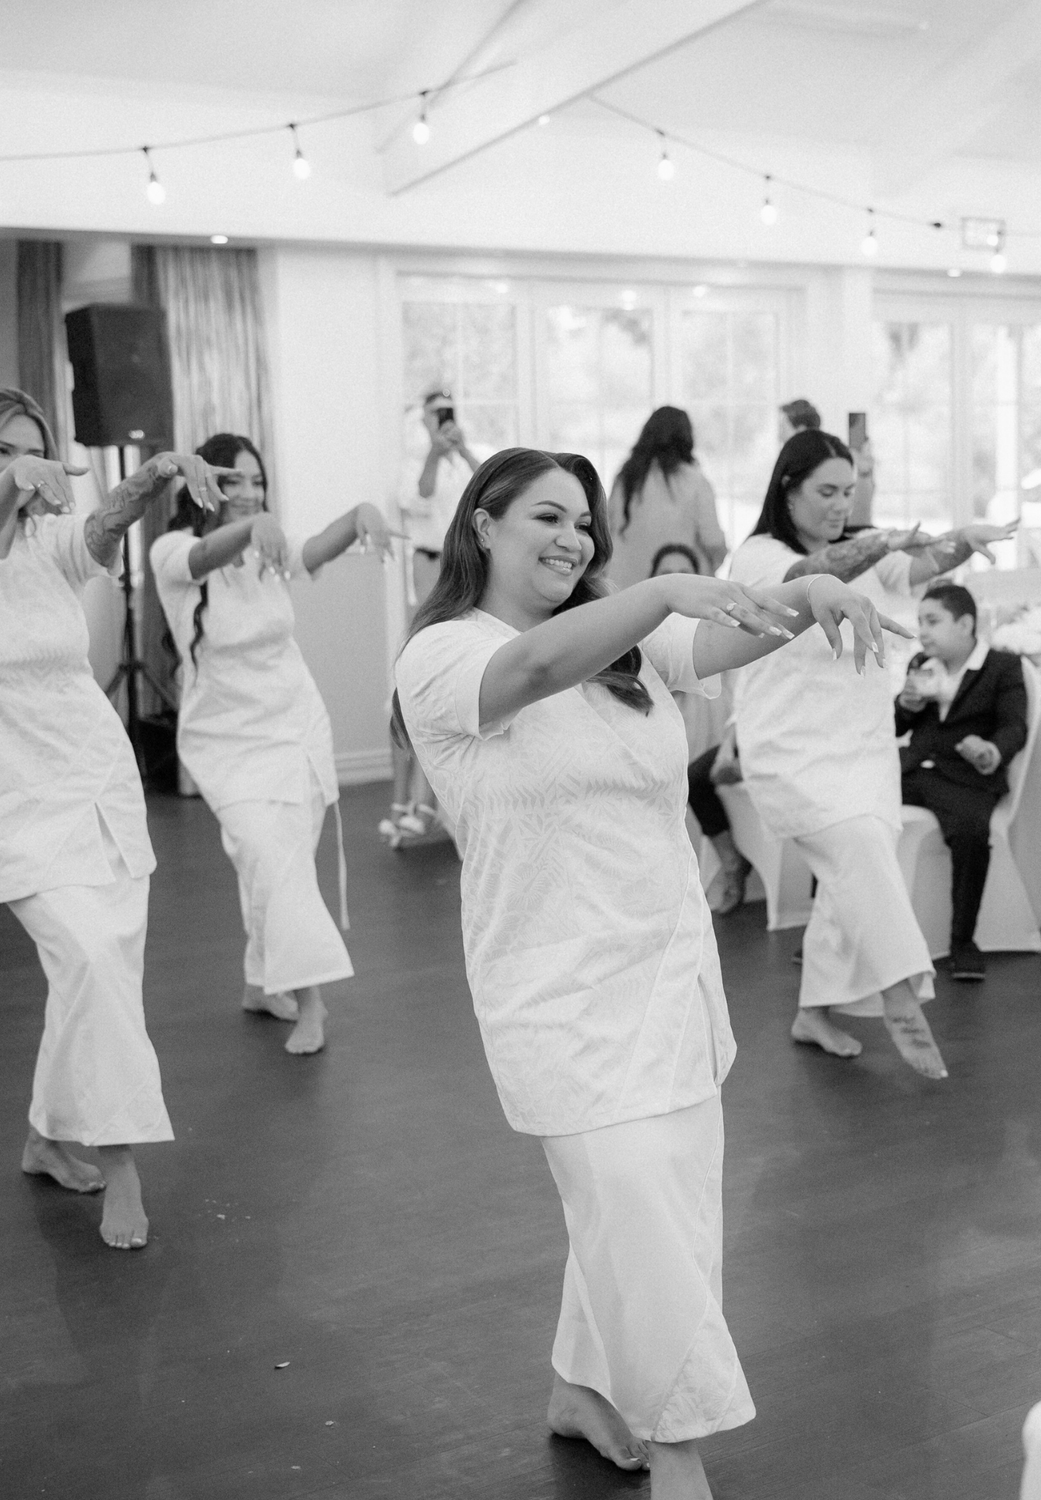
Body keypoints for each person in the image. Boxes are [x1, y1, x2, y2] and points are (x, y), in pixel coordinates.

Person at [394, 445, 901, 1500]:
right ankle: (678, 1448)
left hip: (666, 968)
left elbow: (726, 635)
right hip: (552, 987)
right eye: (546, 515)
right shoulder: (443, 654)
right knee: (629, 1199)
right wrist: (662, 585)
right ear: (481, 525)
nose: (573, 536)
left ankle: (581, 1388)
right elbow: (533, 673)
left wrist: (810, 589)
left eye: (583, 520)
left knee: (659, 1204)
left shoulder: (632, 652)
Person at [0, 387, 234, 1251]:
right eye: (1, 452)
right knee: (86, 956)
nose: (19, 467)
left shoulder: (48, 542)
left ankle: (47, 1135)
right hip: (5, 799)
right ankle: (122, 1167)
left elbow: (103, 530)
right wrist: (13, 486)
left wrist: (151, 476)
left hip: (92, 781)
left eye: (33, 451)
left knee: (98, 970)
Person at [726, 430, 1011, 1076]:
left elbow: (921, 568)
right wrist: (883, 538)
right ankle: (901, 989)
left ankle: (814, 1011)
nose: (838, 504)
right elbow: (806, 579)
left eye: (847, 492)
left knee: (855, 871)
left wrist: (966, 537)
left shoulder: (863, 551)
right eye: (825, 491)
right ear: (787, 489)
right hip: (791, 748)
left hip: (863, 745)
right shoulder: (757, 555)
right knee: (856, 851)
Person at [150, 432, 391, 1058]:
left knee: (279, 862)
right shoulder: (172, 549)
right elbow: (204, 557)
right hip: (226, 739)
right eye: (233, 481)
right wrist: (254, 526)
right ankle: (312, 1001)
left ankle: (262, 982)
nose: (250, 492)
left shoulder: (268, 548)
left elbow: (317, 549)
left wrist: (359, 515)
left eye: (257, 481)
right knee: (269, 857)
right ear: (204, 487)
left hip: (295, 725)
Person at [895, 583, 1027, 982]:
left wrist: (991, 750)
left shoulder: (1002, 666)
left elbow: (1014, 726)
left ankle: (962, 941)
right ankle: (828, 930)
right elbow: (897, 725)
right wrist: (906, 704)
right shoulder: (921, 661)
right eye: (920, 622)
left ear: (966, 623)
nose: (923, 631)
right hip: (916, 769)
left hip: (966, 777)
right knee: (844, 805)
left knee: (971, 831)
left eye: (932, 621)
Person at [391, 388, 480, 844]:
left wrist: (460, 447)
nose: (442, 418)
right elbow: (418, 498)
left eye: (447, 409)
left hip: (465, 564)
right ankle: (412, 801)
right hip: (429, 566)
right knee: (427, 662)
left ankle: (434, 804)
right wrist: (431, 447)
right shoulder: (414, 459)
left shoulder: (459, 459)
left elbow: (492, 486)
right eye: (434, 412)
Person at [653, 543, 753, 915]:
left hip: (711, 719)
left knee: (698, 777)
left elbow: (743, 685)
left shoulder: (715, 627)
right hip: (664, 723)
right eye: (664, 575)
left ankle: (723, 868)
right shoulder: (634, 632)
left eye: (680, 573)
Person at [607, 407, 730, 591]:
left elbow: (608, 531)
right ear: (687, 438)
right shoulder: (694, 481)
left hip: (623, 590)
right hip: (676, 592)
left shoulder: (625, 479)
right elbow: (713, 540)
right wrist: (713, 567)